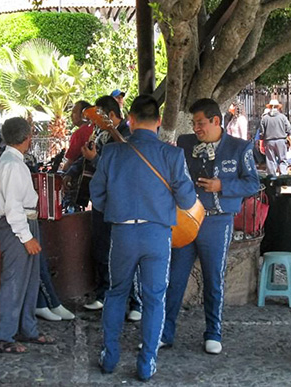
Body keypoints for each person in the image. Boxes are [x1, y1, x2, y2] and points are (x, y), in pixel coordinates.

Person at [89, 95, 199, 381]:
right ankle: (147, 362)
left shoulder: (112, 154)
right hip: (157, 235)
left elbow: (97, 196)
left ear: (131, 120)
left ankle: (110, 357)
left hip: (122, 233)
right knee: (154, 299)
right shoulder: (172, 155)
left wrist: (117, 206)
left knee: (116, 293)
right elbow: (187, 200)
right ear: (159, 122)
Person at [164, 98, 259, 355]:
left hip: (218, 220)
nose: (196, 128)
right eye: (194, 123)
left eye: (201, 123)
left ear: (216, 121)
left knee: (214, 278)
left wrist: (222, 186)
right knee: (174, 278)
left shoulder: (241, 148)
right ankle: (165, 332)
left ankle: (213, 332)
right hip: (185, 219)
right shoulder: (184, 143)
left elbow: (253, 184)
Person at [0, 117, 55, 353]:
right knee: (15, 281)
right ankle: (3, 336)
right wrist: (26, 237)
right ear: (27, 137)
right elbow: (13, 207)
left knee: (27, 281)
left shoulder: (12, 161)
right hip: (18, 226)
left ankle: (26, 329)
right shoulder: (12, 164)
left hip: (24, 224)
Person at [81, 96, 141, 320]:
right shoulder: (101, 133)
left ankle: (137, 302)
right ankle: (103, 292)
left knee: (129, 253)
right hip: (102, 201)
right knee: (101, 249)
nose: (95, 124)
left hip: (124, 204)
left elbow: (124, 167)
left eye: (99, 118)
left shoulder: (128, 135)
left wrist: (95, 159)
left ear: (111, 116)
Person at [259, 99, 291, 176]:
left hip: (269, 142)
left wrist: (261, 145)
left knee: (270, 160)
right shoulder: (282, 117)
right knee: (282, 159)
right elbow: (289, 130)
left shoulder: (264, 118)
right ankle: (283, 176)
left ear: (270, 107)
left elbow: (261, 134)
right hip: (281, 141)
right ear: (278, 107)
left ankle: (272, 178)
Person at [60, 100, 93, 171]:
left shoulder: (79, 133)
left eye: (74, 112)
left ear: (84, 114)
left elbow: (71, 161)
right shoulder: (97, 128)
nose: (71, 115)